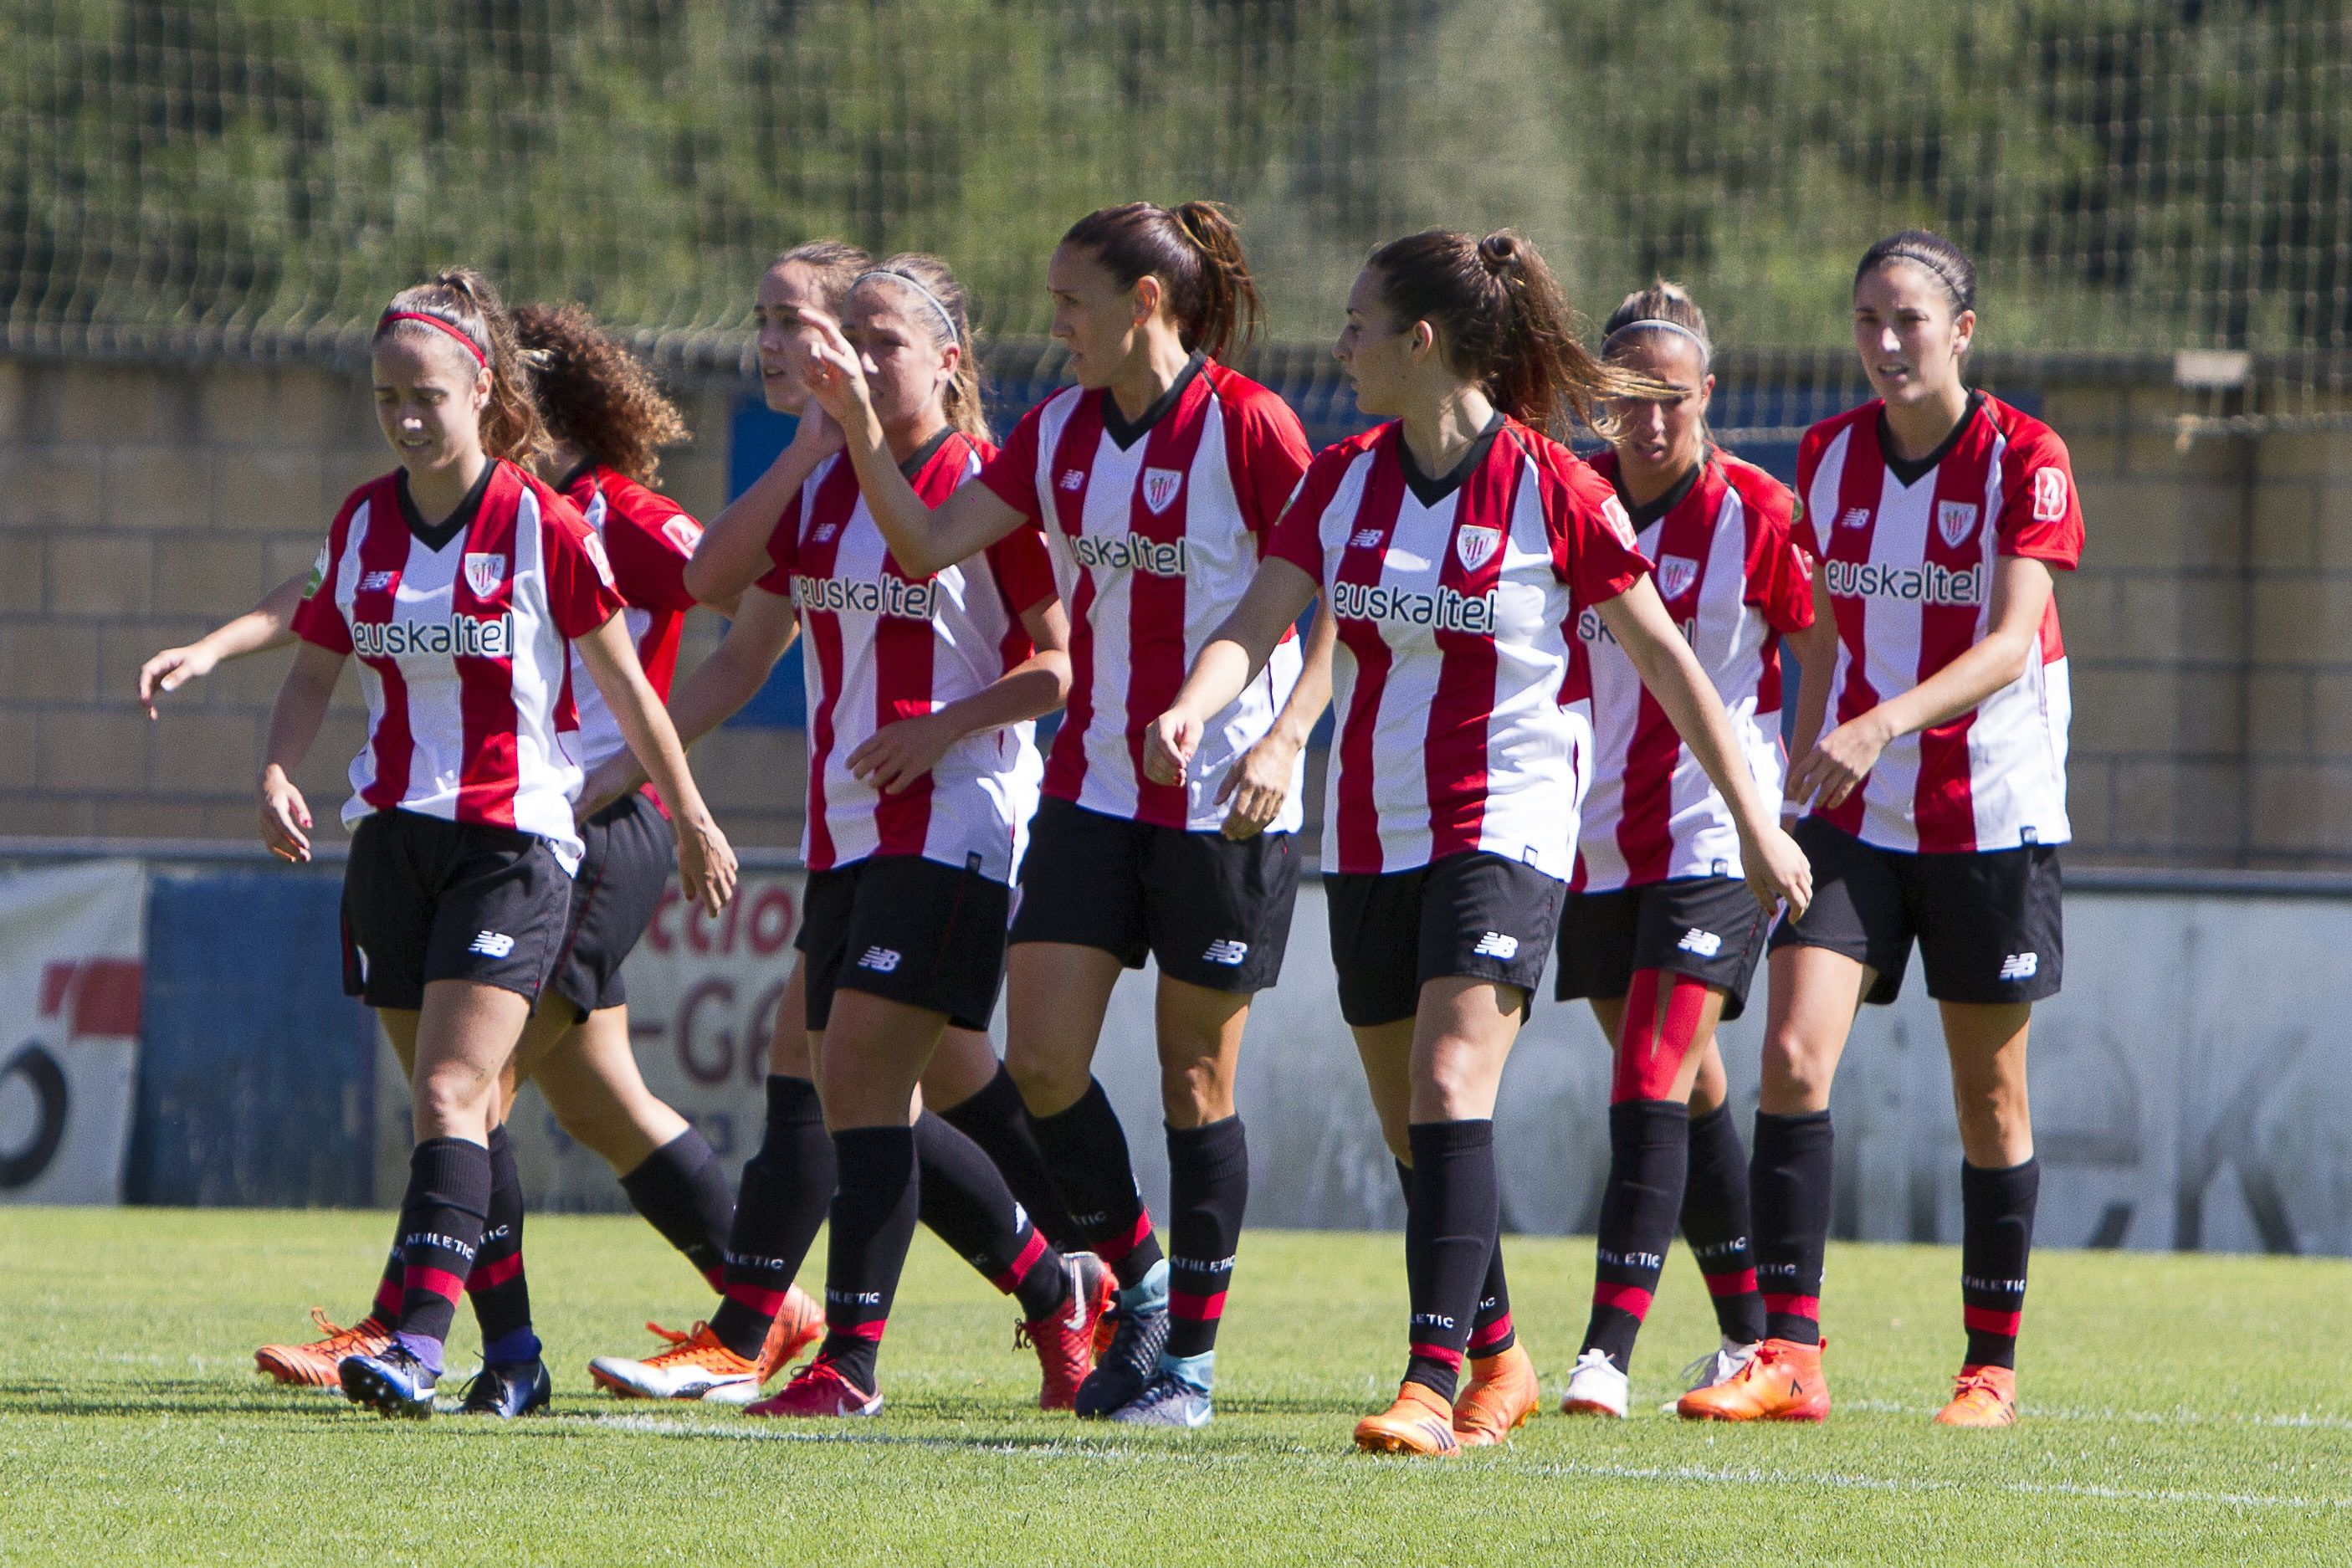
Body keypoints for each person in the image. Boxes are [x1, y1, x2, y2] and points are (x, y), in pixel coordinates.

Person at [1142, 228, 1811, 1456]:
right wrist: (1196, 703)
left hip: (1508, 820)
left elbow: (1672, 665)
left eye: (1358, 324)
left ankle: (1430, 1381)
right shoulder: (1341, 480)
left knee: (1451, 1083)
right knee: (1413, 1121)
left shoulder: (1557, 488)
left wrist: (1758, 827)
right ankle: (1500, 1353)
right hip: (1371, 830)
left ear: (1422, 341)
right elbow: (1257, 618)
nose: (1339, 346)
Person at [144, 305, 778, 1413]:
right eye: (386, 397)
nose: (404, 417)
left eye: (426, 395)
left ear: (490, 392)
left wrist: (688, 811)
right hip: (394, 841)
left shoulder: (560, 520)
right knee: (512, 1108)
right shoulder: (366, 518)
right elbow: (316, 635)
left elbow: (662, 657)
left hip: (530, 836)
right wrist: (267, 752)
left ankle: (411, 1336)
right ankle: (522, 1351)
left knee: (458, 1090)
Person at [797, 202, 1332, 1427]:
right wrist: (866, 428)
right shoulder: (1057, 431)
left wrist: (1288, 732)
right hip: (1093, 785)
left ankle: (1188, 1362)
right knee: (1040, 1059)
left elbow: (1329, 588)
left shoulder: (1249, 425)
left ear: (1147, 302)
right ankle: (1138, 1284)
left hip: (1224, 800)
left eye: (1071, 304)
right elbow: (926, 543)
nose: (1056, 328)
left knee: (1195, 1079)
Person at [587, 255, 1109, 1416]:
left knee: (860, 1071)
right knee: (864, 1089)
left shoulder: (982, 487)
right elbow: (712, 591)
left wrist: (943, 728)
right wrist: (809, 448)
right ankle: (1060, 1283)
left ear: (948, 362)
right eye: (848, 343)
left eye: (884, 345)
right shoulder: (826, 488)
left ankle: (840, 1357)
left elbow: (1057, 664)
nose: (859, 364)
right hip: (847, 830)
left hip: (958, 821)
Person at [1678, 231, 2082, 1430]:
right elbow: (1819, 637)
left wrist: (1881, 722)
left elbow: (2010, 644)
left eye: (1910, 319)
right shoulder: (1829, 454)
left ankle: (1989, 1366)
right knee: (1792, 1057)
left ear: (1962, 331)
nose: (1887, 341)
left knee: (1989, 1097)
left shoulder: (2027, 457)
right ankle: (1790, 1354)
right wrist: (1793, 780)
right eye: (1868, 319)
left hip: (1990, 812)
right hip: (1853, 814)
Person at [1550, 283, 1834, 1420]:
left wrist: (1788, 799)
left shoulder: (1759, 511)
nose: (1653, 420)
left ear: (1708, 393)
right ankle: (1753, 1336)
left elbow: (1822, 650)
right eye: (1630, 398)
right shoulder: (1570, 500)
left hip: (1718, 836)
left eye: (1673, 397)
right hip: (1590, 841)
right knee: (1691, 1081)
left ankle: (1604, 1352)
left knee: (1648, 1077)